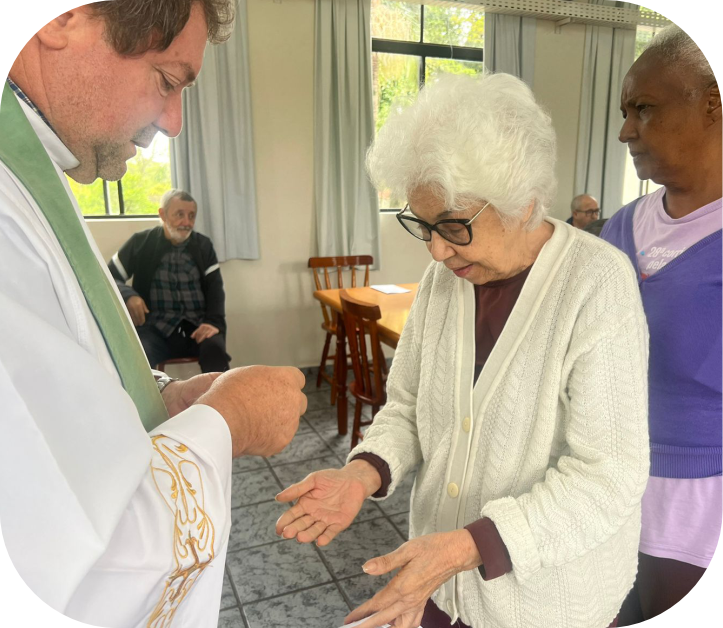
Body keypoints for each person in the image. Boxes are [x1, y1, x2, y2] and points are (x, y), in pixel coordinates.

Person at [276, 74, 649, 628]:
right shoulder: (443, 281)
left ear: (523, 202)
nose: (435, 250)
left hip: (544, 606)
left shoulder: (596, 283)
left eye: (452, 225)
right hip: (440, 584)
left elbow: (608, 476)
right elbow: (408, 407)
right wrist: (363, 473)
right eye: (422, 225)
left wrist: (466, 547)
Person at [0, 2, 306, 626]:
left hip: (191, 330)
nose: (174, 123)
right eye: (167, 80)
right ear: (62, 19)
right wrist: (229, 420)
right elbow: (83, 561)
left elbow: (64, 363)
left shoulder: (33, 168)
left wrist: (158, 396)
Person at [601, 25, 723, 625]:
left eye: (644, 108)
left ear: (712, 103)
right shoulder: (618, 230)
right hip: (607, 484)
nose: (626, 130)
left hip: (699, 502)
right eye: (625, 113)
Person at [110, 188, 231, 373]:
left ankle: (219, 393)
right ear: (163, 214)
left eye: (191, 216)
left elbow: (216, 289)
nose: (187, 222)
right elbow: (109, 276)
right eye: (179, 214)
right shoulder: (141, 242)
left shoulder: (203, 245)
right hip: (154, 330)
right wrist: (129, 295)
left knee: (215, 349)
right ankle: (148, 394)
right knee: (138, 355)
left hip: (197, 328)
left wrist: (212, 323)